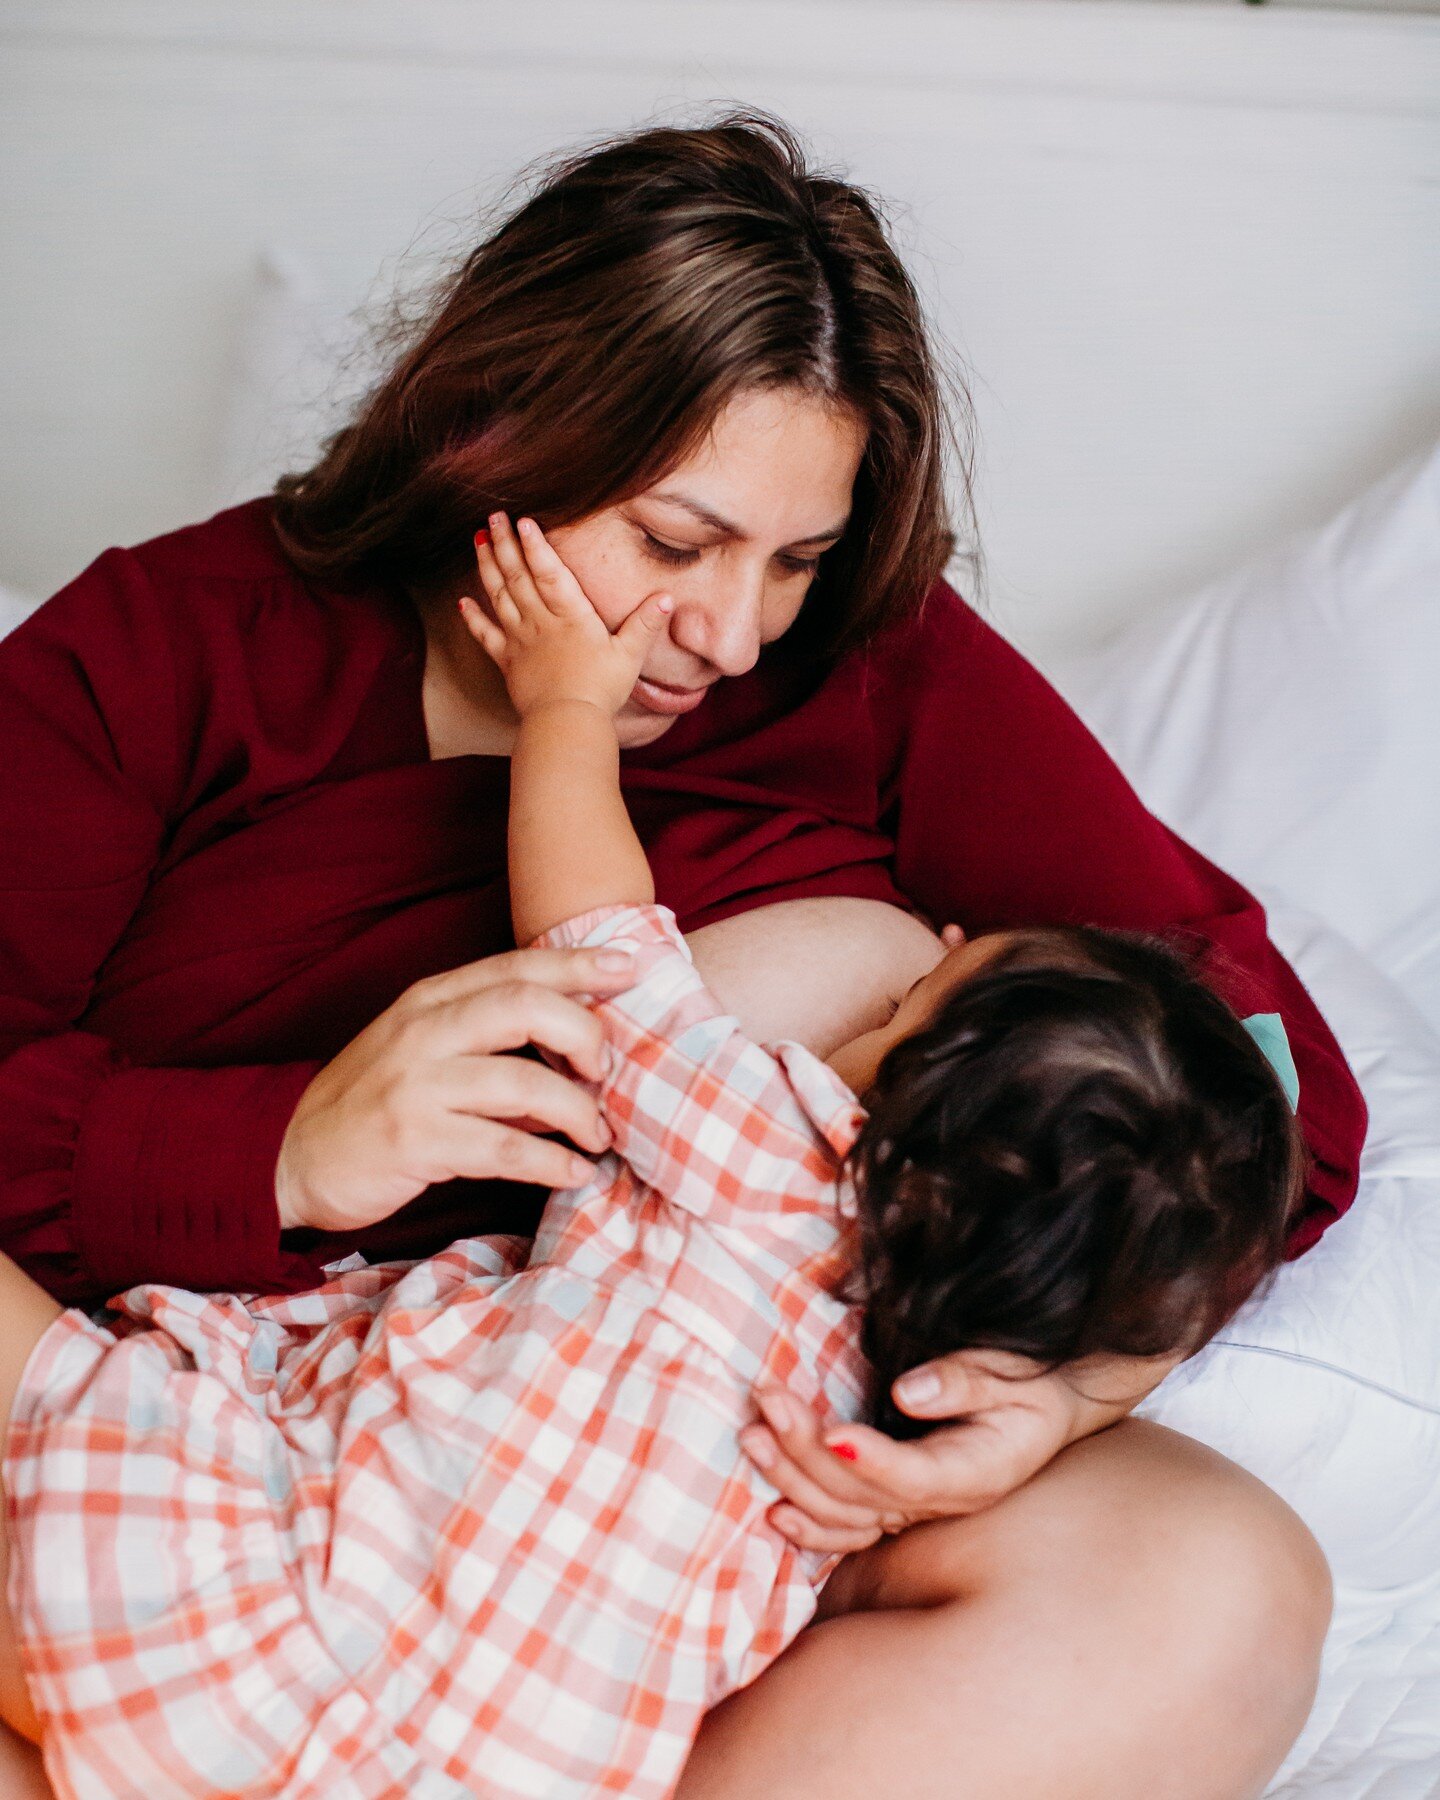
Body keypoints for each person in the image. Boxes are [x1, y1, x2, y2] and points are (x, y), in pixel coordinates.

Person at [0, 110, 1352, 1792]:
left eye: (796, 557)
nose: (729, 634)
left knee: (1212, 1585)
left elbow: (1248, 1068)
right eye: (670, 542)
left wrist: (1067, 1389)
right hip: (203, 1424)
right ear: (491, 435)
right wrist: (282, 1149)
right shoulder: (165, 651)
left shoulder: (872, 665)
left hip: (688, 1500)